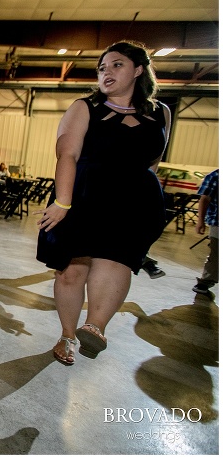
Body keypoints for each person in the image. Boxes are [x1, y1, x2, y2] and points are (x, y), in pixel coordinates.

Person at [36, 41, 170, 366]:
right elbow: (66, 154)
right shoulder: (85, 108)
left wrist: (149, 197)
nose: (106, 72)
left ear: (139, 69)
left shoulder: (160, 112)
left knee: (117, 261)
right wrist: (62, 203)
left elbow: (153, 161)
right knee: (72, 270)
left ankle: (94, 327)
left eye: (116, 65)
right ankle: (68, 334)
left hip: (134, 202)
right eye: (101, 68)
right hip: (84, 196)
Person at [193, 169, 218, 297]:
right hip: (218, 221)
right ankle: (205, 282)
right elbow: (204, 199)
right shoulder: (215, 176)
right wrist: (200, 221)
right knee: (216, 253)